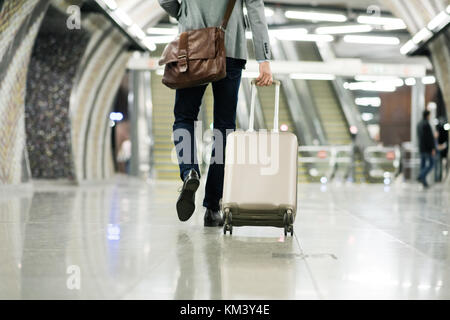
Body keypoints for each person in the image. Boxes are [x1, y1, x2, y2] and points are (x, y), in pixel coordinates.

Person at [158, 0, 273, 226]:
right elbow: (255, 9)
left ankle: (189, 171)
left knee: (184, 117)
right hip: (230, 48)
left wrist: (183, 13)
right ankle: (212, 207)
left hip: (191, 47)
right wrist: (264, 58)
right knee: (224, 128)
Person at [417, 110, 436, 188]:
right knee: (431, 164)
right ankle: (421, 176)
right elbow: (429, 138)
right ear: (427, 115)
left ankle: (424, 182)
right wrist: (432, 148)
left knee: (423, 165)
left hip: (421, 148)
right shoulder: (426, 124)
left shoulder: (419, 124)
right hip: (427, 149)